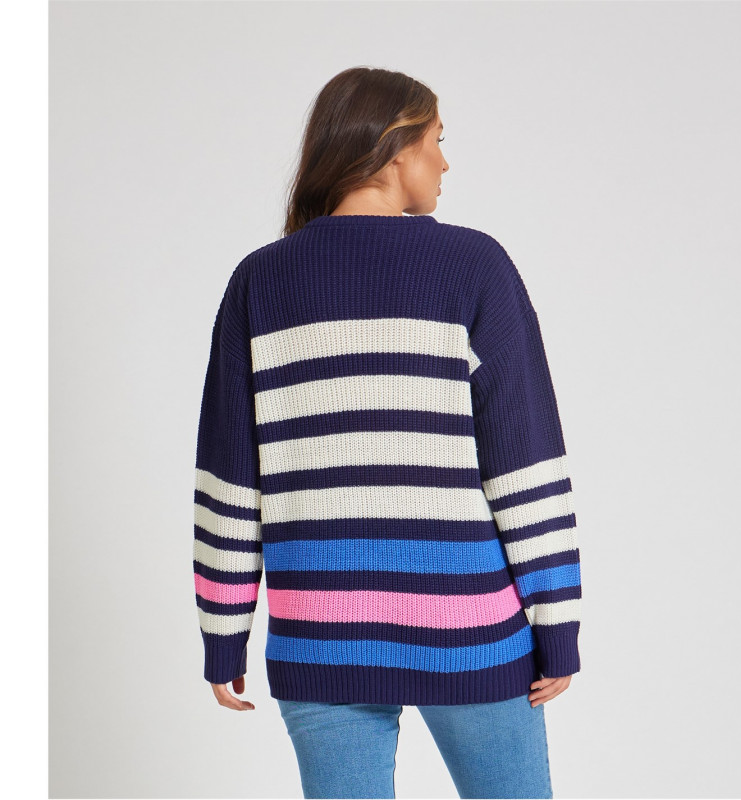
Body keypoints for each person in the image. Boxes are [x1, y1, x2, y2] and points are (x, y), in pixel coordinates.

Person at [193, 66, 582, 799]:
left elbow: (229, 479)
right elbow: (522, 456)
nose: (445, 162)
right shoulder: (473, 265)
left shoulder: (259, 281)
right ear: (397, 147)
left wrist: (224, 631)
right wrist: (556, 619)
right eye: (438, 140)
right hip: (467, 631)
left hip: (320, 636)